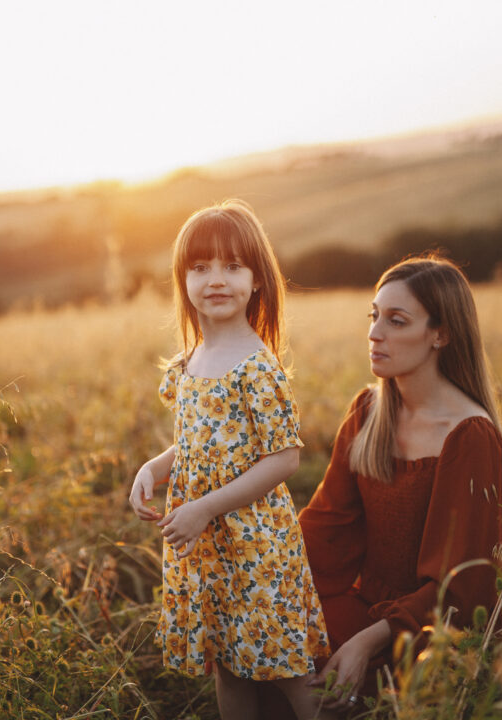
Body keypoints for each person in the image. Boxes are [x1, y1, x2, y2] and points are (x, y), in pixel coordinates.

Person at [265, 255, 502, 715]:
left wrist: (364, 643)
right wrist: (260, 578)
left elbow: (462, 589)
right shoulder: (368, 413)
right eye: (374, 316)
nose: (375, 333)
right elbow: (325, 529)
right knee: (254, 646)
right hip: (365, 611)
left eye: (397, 321)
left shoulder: (469, 437)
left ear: (442, 334)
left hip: (430, 637)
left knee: (298, 678)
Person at [129, 199, 333, 720]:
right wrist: (154, 469)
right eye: (200, 268)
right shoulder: (191, 360)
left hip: (253, 540)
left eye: (232, 266)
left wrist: (204, 508)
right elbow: (199, 443)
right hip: (208, 547)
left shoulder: (257, 367)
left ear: (258, 279)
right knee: (228, 661)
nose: (215, 279)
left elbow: (284, 459)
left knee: (286, 667)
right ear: (183, 281)